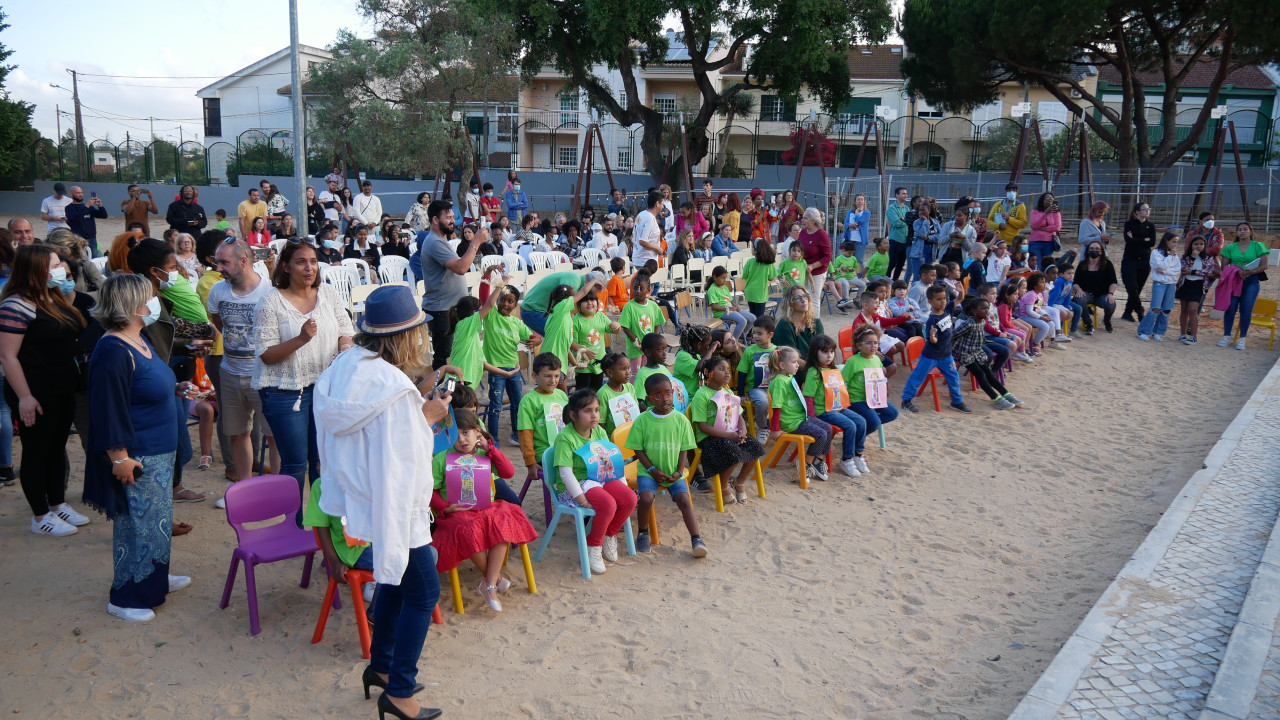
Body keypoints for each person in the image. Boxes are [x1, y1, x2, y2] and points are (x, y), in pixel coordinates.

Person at [313, 284, 450, 720]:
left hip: (362, 494)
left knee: (393, 579)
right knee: (424, 590)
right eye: (418, 332)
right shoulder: (393, 386)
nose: (422, 340)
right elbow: (404, 453)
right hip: (392, 500)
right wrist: (426, 417)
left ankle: (383, 668)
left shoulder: (346, 363)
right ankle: (401, 692)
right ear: (404, 336)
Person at [81, 273, 193, 621]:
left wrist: (173, 388)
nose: (153, 303)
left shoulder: (138, 338)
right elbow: (107, 408)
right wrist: (120, 458)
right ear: (130, 305)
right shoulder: (112, 349)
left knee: (157, 520)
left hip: (160, 451)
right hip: (138, 454)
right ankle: (127, 596)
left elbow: (141, 387)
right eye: (148, 298)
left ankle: (155, 576)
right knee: (136, 525)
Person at [255, 241, 355, 525]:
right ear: (286, 266)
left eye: (312, 261)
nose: (309, 267)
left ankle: (324, 528)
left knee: (322, 463)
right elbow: (266, 355)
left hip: (325, 388)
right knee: (296, 463)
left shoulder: (328, 293)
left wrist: (345, 348)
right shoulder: (270, 301)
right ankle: (293, 526)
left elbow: (346, 332)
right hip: (284, 392)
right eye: (300, 261)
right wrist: (301, 339)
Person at [0, 244, 94, 535]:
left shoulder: (52, 299)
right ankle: (40, 516)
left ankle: (56, 504)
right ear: (36, 270)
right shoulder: (15, 305)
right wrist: (25, 397)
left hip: (61, 386)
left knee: (56, 449)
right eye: (53, 265)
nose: (60, 270)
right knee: (36, 451)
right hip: (34, 390)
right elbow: (8, 356)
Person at [430, 407, 537, 612]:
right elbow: (430, 491)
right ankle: (493, 581)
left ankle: (488, 583)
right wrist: (445, 508)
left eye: (466, 433)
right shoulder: (441, 458)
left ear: (477, 431)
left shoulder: (484, 453)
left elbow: (508, 472)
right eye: (456, 434)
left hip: (486, 507)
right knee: (468, 528)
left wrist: (492, 450)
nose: (462, 439)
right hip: (456, 513)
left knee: (503, 521)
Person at [209, 240, 279, 491]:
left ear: (243, 262)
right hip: (229, 372)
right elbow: (220, 323)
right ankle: (245, 490)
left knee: (273, 436)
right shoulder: (218, 291)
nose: (219, 268)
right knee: (238, 433)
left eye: (224, 262)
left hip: (264, 375)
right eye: (217, 262)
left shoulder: (270, 291)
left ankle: (276, 492)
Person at [552, 389, 638, 574]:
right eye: (588, 411)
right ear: (573, 415)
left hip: (600, 477)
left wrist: (621, 487)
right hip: (578, 483)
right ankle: (594, 545)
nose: (594, 415)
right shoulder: (565, 437)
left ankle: (610, 534)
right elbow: (566, 473)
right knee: (608, 504)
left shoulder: (599, 430)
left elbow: (612, 461)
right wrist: (582, 500)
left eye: (597, 410)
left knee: (630, 498)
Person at [626, 373, 706, 557]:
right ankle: (643, 533)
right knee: (645, 499)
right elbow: (638, 450)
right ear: (649, 399)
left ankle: (696, 539)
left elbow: (684, 448)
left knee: (684, 500)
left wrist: (679, 471)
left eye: (668, 393)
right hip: (648, 471)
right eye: (658, 395)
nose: (665, 399)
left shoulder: (680, 420)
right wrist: (652, 470)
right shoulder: (643, 420)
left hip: (673, 471)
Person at [415, 199, 483, 370]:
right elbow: (461, 268)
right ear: (435, 220)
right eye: (448, 217)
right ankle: (439, 394)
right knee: (444, 358)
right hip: (441, 310)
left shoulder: (441, 239)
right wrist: (476, 242)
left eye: (453, 217)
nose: (453, 221)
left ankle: (451, 394)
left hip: (449, 308)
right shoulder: (435, 241)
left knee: (452, 356)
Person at [688, 355, 766, 503]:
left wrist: (742, 431)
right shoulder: (701, 395)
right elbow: (702, 426)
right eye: (721, 369)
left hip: (731, 433)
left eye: (728, 369)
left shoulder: (728, 393)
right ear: (709, 373)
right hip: (709, 438)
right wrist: (730, 436)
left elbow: (738, 417)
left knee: (755, 447)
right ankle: (723, 486)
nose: (727, 373)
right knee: (733, 452)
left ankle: (739, 482)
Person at [801, 335, 869, 478]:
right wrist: (812, 418)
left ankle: (858, 454)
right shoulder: (814, 372)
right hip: (823, 411)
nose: (829, 355)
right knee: (850, 425)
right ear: (815, 353)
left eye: (831, 352)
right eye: (825, 352)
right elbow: (808, 397)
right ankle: (847, 459)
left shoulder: (833, 370)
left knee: (861, 421)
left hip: (837, 407)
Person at [765, 345, 832, 480]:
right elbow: (776, 406)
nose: (797, 365)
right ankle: (805, 463)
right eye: (794, 362)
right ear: (782, 365)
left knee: (828, 428)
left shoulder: (789, 377)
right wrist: (775, 429)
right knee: (821, 434)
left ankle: (817, 460)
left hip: (800, 418)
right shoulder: (779, 381)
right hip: (791, 422)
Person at [900, 286, 968, 415]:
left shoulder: (948, 309)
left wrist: (960, 289)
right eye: (938, 299)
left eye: (944, 298)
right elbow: (934, 341)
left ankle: (957, 402)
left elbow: (960, 298)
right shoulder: (932, 320)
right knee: (917, 378)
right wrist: (932, 336)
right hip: (930, 357)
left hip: (947, 355)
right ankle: (906, 401)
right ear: (930, 301)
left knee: (954, 378)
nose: (943, 302)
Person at [517, 352, 569, 495]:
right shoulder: (529, 401)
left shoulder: (562, 395)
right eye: (547, 376)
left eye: (557, 376)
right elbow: (525, 434)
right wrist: (530, 462)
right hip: (545, 454)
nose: (553, 380)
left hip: (566, 449)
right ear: (535, 376)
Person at [954, 297, 1018, 410]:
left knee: (988, 372)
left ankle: (1006, 394)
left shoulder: (982, 322)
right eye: (983, 308)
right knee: (981, 374)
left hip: (976, 352)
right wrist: (952, 351)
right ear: (974, 311)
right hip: (964, 354)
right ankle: (996, 399)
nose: (987, 311)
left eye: (987, 308)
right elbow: (953, 335)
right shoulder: (968, 324)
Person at [1216, 222, 1269, 351]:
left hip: (1252, 280)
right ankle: (1227, 336)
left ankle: (1242, 338)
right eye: (1239, 229)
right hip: (1234, 280)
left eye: (1245, 229)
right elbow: (1224, 267)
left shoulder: (1258, 246)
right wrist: (1236, 270)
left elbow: (1264, 265)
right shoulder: (1230, 248)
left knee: (1246, 309)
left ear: (1251, 231)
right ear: (1237, 233)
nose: (1242, 231)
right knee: (1231, 308)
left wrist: (1253, 271)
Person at [841, 325, 899, 435]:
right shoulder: (853, 362)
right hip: (858, 399)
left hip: (874, 398)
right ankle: (857, 438)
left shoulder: (877, 359)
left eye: (875, 342)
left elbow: (878, 378)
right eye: (868, 343)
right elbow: (842, 382)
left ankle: (859, 430)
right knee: (875, 422)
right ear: (858, 346)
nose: (873, 345)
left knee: (893, 413)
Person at [1135, 232, 1182, 342]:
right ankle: (1143, 330)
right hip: (1160, 283)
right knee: (1156, 307)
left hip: (1170, 284)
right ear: (1167, 241)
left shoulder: (1175, 255)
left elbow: (1177, 270)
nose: (1175, 244)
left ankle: (1158, 331)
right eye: (1173, 242)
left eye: (1176, 242)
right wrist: (1169, 257)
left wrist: (1165, 272)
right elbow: (1160, 266)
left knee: (1166, 309)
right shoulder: (1156, 253)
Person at [618, 271, 665, 379]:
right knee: (636, 373)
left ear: (649, 290)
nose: (638, 291)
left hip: (650, 346)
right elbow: (625, 327)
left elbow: (657, 323)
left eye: (641, 289)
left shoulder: (653, 305)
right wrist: (636, 341)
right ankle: (636, 393)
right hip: (636, 348)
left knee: (647, 369)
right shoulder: (629, 306)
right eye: (635, 288)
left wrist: (654, 339)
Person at [1120, 201, 1156, 322]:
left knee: (1138, 288)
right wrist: (1143, 240)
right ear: (1137, 212)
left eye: (1148, 209)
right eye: (1144, 209)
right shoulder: (1129, 224)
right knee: (1131, 286)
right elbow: (1128, 240)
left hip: (1145, 261)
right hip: (1130, 260)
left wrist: (1135, 239)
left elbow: (1152, 242)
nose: (1147, 211)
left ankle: (1127, 312)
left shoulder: (1150, 226)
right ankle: (1140, 310)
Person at [1176, 236, 1214, 345]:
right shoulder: (1186, 257)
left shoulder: (1208, 258)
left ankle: (1193, 336)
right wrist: (1193, 257)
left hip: (1199, 285)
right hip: (1185, 284)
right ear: (1191, 245)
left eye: (1201, 244)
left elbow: (1208, 272)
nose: (1198, 246)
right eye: (1196, 244)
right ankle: (1182, 334)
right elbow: (1184, 269)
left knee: (1193, 309)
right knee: (1184, 309)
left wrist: (1192, 272)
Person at [773, 285, 825, 358]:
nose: (803, 300)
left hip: (814, 366)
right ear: (790, 303)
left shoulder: (816, 322)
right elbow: (790, 358)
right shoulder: (784, 325)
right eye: (797, 298)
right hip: (793, 367)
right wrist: (813, 369)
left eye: (805, 296)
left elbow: (823, 349)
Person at [707, 266, 755, 344]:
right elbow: (714, 306)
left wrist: (736, 306)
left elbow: (731, 300)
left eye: (725, 278)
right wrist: (729, 308)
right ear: (715, 277)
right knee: (743, 321)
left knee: (753, 318)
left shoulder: (724, 287)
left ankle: (742, 337)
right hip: (721, 312)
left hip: (730, 310)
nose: (724, 280)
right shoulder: (712, 290)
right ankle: (733, 342)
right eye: (722, 278)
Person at [798, 207, 833, 296]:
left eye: (805, 218)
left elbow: (828, 256)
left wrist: (813, 266)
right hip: (803, 269)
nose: (802, 220)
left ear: (813, 220)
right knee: (803, 297)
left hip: (817, 272)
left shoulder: (822, 234)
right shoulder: (803, 232)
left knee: (813, 299)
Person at [64, 186, 108, 256]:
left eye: (81, 192)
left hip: (92, 239)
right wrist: (87, 205)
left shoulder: (88, 207)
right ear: (71, 194)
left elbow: (104, 215)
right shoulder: (69, 208)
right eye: (78, 193)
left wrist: (100, 206)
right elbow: (77, 218)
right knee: (81, 259)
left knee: (94, 259)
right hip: (78, 239)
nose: (81, 195)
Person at [1028, 192, 1063, 270]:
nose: (1049, 201)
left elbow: (1057, 227)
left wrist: (1044, 228)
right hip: (1035, 241)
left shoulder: (1056, 212)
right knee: (1036, 264)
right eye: (1047, 199)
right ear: (1042, 200)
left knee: (1046, 264)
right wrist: (1045, 213)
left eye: (1051, 199)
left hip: (1049, 242)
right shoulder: (1035, 211)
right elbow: (1035, 225)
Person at [631, 190, 664, 270]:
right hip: (646, 262)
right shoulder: (649, 218)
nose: (663, 207)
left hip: (640, 259)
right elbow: (642, 241)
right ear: (657, 204)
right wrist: (658, 248)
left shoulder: (641, 214)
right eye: (662, 204)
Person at [987, 183, 1028, 248]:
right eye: (1009, 190)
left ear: (1016, 192)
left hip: (1013, 242)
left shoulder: (1020, 206)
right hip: (998, 241)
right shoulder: (998, 205)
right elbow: (989, 221)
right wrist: (998, 225)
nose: (1011, 192)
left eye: (1014, 191)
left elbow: (1023, 224)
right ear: (1005, 192)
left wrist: (1009, 219)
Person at [909, 202, 940, 284]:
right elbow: (921, 234)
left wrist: (929, 238)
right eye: (920, 210)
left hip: (931, 251)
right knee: (918, 276)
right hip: (919, 252)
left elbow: (939, 236)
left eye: (924, 210)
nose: (921, 212)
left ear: (929, 211)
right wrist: (925, 222)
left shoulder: (936, 223)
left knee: (928, 276)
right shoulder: (917, 222)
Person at [885, 187, 910, 279]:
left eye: (906, 193)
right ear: (897, 195)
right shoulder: (891, 208)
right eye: (903, 193)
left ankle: (895, 283)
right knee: (892, 263)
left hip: (905, 240)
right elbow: (895, 222)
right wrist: (906, 221)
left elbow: (910, 221)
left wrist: (903, 219)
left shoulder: (906, 208)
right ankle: (886, 282)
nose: (906, 195)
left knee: (900, 264)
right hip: (895, 240)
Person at [843, 193, 871, 262]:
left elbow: (860, 222)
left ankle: (860, 273)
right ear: (855, 202)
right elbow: (846, 224)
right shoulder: (850, 212)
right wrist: (850, 225)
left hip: (860, 241)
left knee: (858, 261)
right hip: (850, 239)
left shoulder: (866, 213)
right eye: (858, 199)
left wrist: (857, 214)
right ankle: (851, 273)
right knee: (848, 260)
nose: (860, 201)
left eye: (862, 199)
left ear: (864, 202)